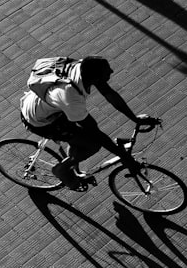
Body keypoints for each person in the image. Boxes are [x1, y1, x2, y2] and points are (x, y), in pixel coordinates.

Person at [19, 56, 155, 190]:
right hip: (42, 121)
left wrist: (135, 118)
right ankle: (62, 169)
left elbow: (108, 93)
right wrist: (126, 158)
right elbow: (96, 133)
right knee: (92, 145)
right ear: (95, 78)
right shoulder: (71, 98)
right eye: (107, 71)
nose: (112, 71)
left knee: (79, 136)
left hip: (48, 106)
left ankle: (73, 161)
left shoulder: (82, 69)